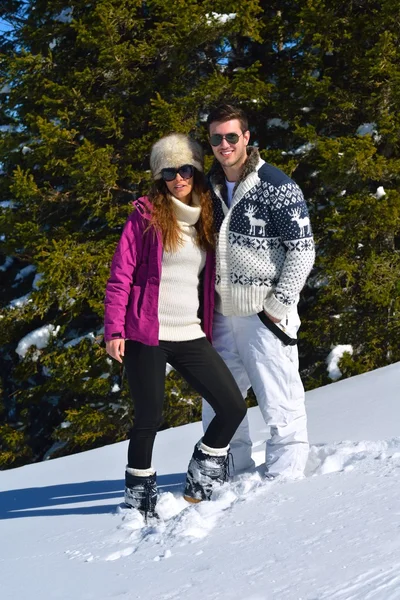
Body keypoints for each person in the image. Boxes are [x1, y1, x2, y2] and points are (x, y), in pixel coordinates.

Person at [104, 133, 247, 517]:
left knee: (232, 406)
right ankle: (138, 499)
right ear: (160, 176)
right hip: (146, 332)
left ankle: (202, 472)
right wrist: (114, 330)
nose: (178, 177)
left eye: (184, 169)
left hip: (190, 333)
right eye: (169, 171)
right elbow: (121, 275)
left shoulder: (207, 216)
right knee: (149, 417)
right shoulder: (146, 215)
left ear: (195, 171)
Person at [202, 104, 315, 479]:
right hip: (222, 314)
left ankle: (285, 479)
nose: (224, 144)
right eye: (217, 138)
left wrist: (279, 304)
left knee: (278, 397)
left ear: (246, 138)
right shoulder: (210, 187)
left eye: (231, 136)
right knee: (219, 402)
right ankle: (230, 472)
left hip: (264, 315)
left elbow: (303, 249)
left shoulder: (276, 185)